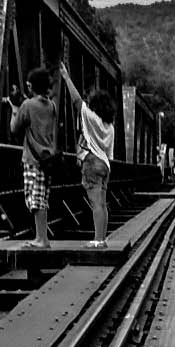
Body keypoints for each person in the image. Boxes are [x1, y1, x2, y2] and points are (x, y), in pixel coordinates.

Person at [61, 60, 114, 248]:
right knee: (102, 203)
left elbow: (77, 101)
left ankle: (98, 240)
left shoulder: (92, 118)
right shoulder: (110, 126)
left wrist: (67, 78)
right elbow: (110, 152)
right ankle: (103, 238)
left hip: (92, 162)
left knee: (95, 203)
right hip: (105, 165)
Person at [7, 66, 57, 248]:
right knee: (42, 196)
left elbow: (14, 128)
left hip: (32, 159)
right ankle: (41, 237)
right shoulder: (51, 105)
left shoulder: (27, 106)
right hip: (48, 159)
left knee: (35, 199)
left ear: (31, 86)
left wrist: (14, 109)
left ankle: (41, 239)